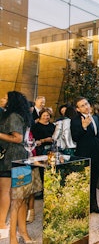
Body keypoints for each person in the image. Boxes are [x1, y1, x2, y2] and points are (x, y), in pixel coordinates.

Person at [0, 91, 33, 243]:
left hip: (11, 160)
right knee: (21, 199)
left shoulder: (13, 116)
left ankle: (14, 236)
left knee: (14, 198)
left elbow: (17, 138)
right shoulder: (22, 115)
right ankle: (22, 233)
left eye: (6, 97)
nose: (3, 99)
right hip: (22, 158)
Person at [71, 96, 99, 214]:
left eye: (86, 104)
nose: (86, 107)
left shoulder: (96, 117)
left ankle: (94, 206)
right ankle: (83, 208)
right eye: (82, 106)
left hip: (97, 154)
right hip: (84, 154)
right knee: (84, 182)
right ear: (78, 109)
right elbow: (75, 137)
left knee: (94, 181)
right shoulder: (75, 120)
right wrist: (83, 127)